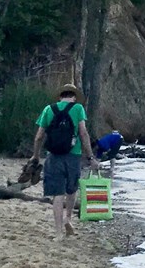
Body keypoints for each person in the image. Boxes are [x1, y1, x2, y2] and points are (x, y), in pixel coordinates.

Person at [31, 84, 99, 238]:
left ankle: (58, 232)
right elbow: (83, 133)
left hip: (53, 156)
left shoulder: (49, 109)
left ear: (60, 96)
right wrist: (90, 157)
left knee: (57, 194)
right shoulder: (78, 109)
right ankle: (68, 218)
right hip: (73, 155)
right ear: (74, 96)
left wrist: (35, 156)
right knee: (72, 189)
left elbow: (39, 136)